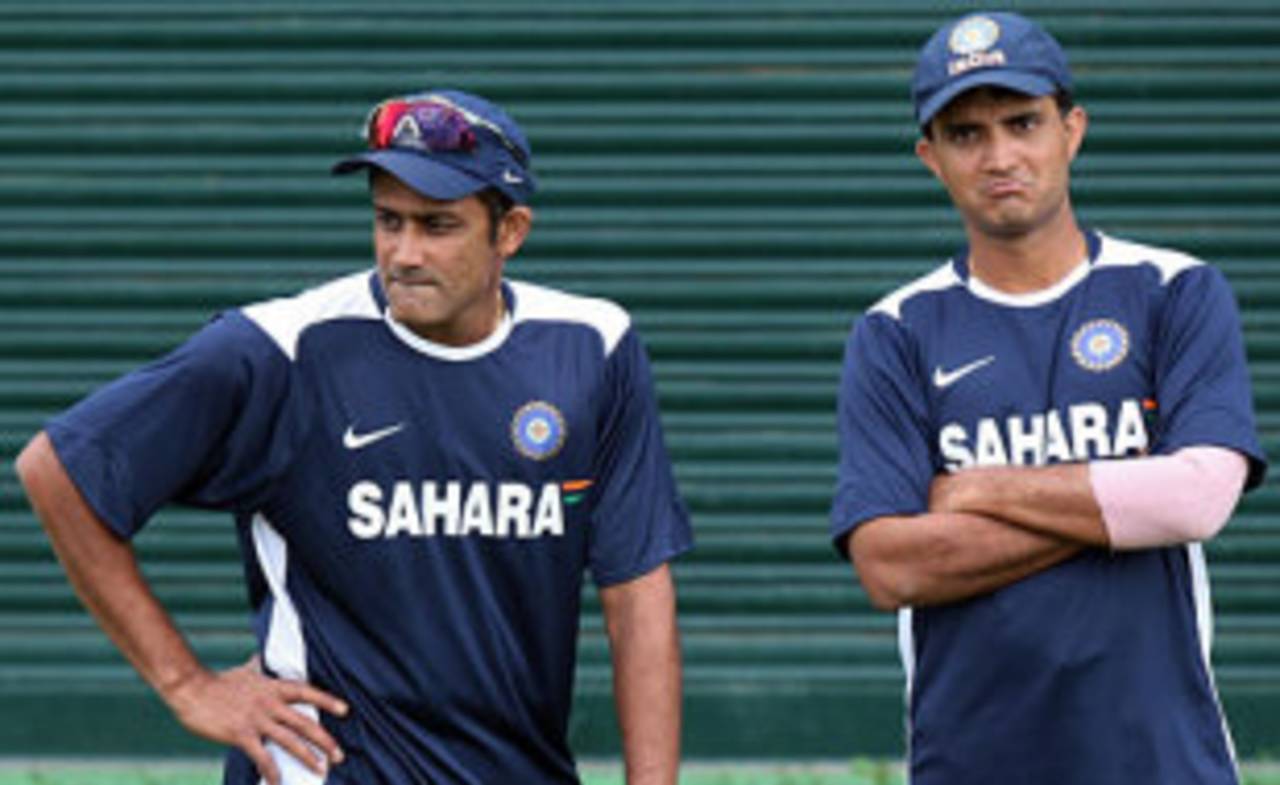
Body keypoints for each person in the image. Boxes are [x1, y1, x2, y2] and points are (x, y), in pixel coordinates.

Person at [14, 89, 692, 785]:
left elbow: (637, 600)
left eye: (437, 226)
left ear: (510, 231)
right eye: (387, 220)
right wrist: (188, 684)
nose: (404, 253)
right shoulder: (284, 349)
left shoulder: (592, 348)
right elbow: (59, 468)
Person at [831, 11, 1267, 785]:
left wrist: (981, 489)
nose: (1000, 155)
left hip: (1162, 761)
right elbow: (890, 565)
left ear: (1071, 129)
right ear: (930, 158)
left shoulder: (1174, 291)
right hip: (974, 761)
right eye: (967, 134)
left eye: (1022, 122)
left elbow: (1197, 501)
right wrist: (1126, 497)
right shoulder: (896, 330)